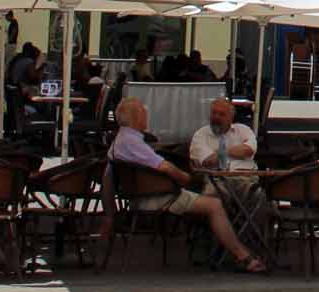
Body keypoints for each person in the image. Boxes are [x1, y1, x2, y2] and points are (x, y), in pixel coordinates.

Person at [106, 96, 265, 271]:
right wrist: (184, 178)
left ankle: (247, 246)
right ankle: (241, 255)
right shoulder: (133, 142)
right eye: (144, 113)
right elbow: (166, 167)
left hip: (149, 194)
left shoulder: (121, 140)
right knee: (215, 204)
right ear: (136, 118)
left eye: (222, 114)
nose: (146, 118)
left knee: (258, 197)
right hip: (159, 196)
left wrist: (109, 212)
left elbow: (249, 149)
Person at [189, 97, 258, 171]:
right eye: (214, 113)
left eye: (222, 114)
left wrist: (223, 152)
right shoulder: (200, 135)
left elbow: (249, 150)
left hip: (247, 177)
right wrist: (237, 153)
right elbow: (209, 162)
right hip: (213, 179)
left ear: (231, 118)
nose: (216, 117)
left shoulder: (243, 130)